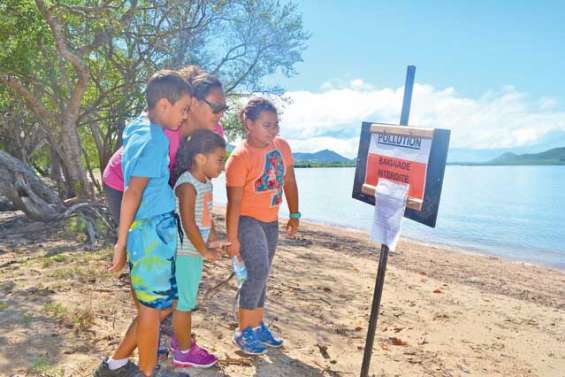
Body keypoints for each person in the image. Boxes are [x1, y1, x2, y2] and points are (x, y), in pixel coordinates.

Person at [95, 70, 191, 377]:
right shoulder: (153, 140)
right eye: (183, 109)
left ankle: (118, 363)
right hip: (150, 233)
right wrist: (121, 243)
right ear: (164, 104)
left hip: (156, 230)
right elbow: (132, 191)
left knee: (168, 301)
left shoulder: (139, 126)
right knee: (151, 309)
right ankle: (148, 372)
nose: (185, 116)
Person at [225, 97, 300, 355]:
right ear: (249, 124)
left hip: (271, 221)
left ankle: (257, 326)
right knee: (257, 270)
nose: (273, 130)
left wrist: (295, 213)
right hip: (247, 220)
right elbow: (233, 203)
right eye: (267, 125)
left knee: (262, 273)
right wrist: (232, 238)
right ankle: (244, 330)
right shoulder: (239, 158)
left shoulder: (282, 147)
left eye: (275, 124)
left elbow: (289, 181)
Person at [169, 129, 228, 368]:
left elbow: (205, 216)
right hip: (185, 253)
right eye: (220, 160)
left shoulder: (205, 183)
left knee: (183, 299)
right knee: (184, 303)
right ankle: (184, 352)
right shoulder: (187, 185)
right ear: (200, 158)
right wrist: (204, 250)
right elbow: (188, 222)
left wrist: (212, 239)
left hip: (194, 251)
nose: (222, 166)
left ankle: (178, 341)